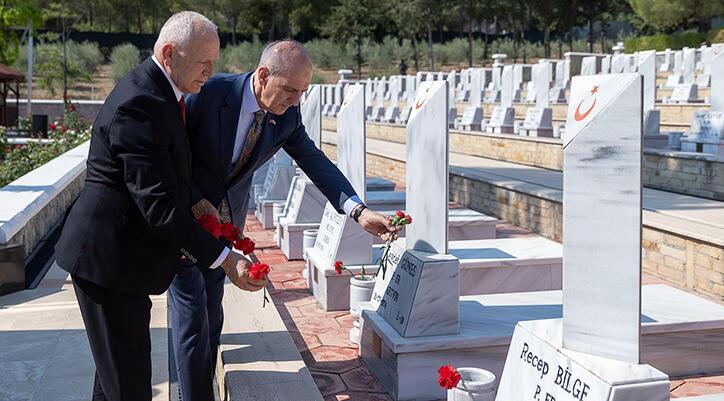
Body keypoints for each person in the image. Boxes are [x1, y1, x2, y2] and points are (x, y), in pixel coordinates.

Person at [171, 39, 398, 400]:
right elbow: (171, 152)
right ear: (262, 76)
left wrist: (358, 210)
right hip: (183, 221)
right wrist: (195, 199)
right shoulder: (210, 93)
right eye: (291, 90)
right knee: (191, 319)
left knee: (211, 317)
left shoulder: (287, 115)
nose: (296, 101)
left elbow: (314, 161)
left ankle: (201, 384)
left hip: (226, 228)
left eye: (302, 92)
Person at [54, 12, 263, 401]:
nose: (211, 71)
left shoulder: (163, 94)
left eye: (214, 62)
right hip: (109, 265)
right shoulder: (141, 103)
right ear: (170, 54)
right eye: (204, 62)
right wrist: (225, 259)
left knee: (116, 382)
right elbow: (158, 206)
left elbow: (167, 173)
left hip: (123, 264)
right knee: (129, 386)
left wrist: (197, 201)